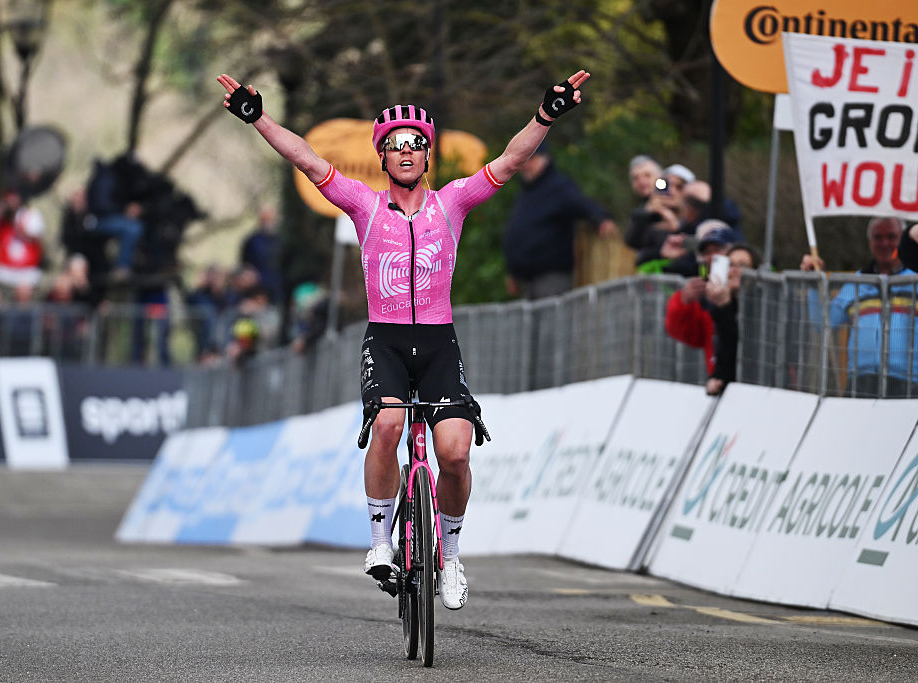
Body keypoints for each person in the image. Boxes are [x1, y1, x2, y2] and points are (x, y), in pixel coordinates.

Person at [217, 67, 591, 609]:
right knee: (388, 422)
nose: (408, 152)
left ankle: (453, 556)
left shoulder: (453, 204)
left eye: (417, 144)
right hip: (387, 342)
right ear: (383, 157)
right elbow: (306, 159)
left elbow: (510, 161)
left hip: (439, 343)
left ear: (427, 155)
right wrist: (260, 120)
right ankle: (378, 543)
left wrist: (545, 116)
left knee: (456, 454)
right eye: (396, 146)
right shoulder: (364, 206)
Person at [800, 217, 918, 397]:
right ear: (870, 243)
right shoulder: (856, 282)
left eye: (892, 236)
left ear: (903, 240)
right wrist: (814, 286)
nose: (884, 243)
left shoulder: (915, 279)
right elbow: (823, 323)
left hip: (910, 381)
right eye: (878, 237)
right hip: (860, 382)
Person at [501, 142, 616, 299]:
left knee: (551, 321)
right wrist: (513, 271)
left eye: (531, 159)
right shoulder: (526, 192)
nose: (526, 165)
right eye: (523, 160)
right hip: (528, 278)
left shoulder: (558, 186)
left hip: (552, 275)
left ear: (545, 159)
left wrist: (601, 219)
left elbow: (581, 204)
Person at [665, 241, 762, 395]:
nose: (734, 270)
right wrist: (683, 300)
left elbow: (744, 346)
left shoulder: (764, 307)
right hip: (730, 392)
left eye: (742, 266)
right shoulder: (716, 305)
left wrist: (724, 306)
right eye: (730, 265)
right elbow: (720, 348)